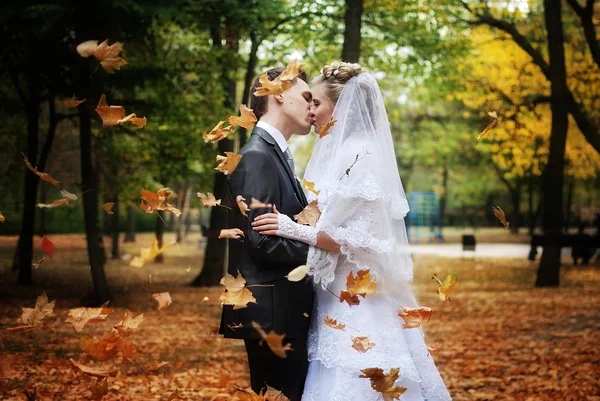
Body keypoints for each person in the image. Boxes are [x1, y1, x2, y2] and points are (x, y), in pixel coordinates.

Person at [253, 61, 452, 400]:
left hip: (359, 299)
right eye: (309, 102)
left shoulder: (360, 155)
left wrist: (290, 228)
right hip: (336, 295)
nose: (311, 111)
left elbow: (358, 241)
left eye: (316, 102)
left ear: (341, 104)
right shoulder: (337, 152)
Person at [218, 66, 315, 400]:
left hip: (283, 311)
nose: (312, 107)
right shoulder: (257, 157)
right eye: (306, 97)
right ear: (276, 94)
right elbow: (259, 241)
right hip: (272, 315)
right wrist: (321, 252)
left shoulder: (275, 156)